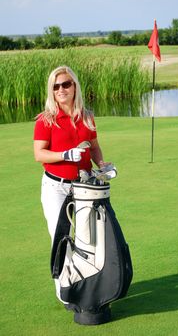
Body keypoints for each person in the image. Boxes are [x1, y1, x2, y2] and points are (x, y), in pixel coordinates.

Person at [33, 65, 110, 304]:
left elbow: (94, 145)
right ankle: (65, 290)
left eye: (66, 84)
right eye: (56, 86)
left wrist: (101, 164)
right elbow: (39, 154)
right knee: (62, 239)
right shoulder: (46, 119)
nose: (61, 89)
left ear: (74, 85)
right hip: (56, 187)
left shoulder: (86, 116)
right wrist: (65, 155)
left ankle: (85, 282)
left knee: (87, 239)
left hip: (84, 187)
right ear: (51, 91)